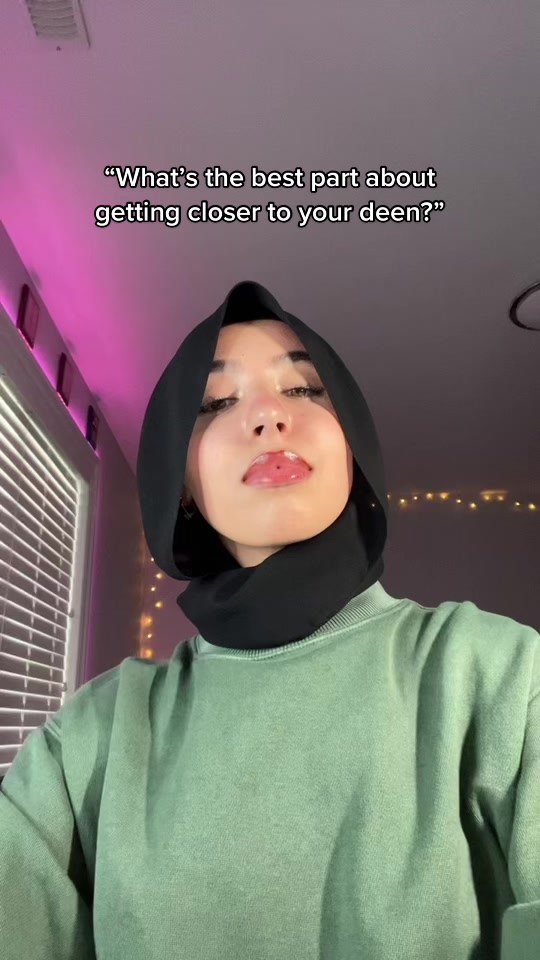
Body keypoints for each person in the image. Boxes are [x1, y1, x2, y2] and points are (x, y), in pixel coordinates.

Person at [0, 280, 539, 959]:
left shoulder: (499, 673)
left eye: (305, 389)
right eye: (216, 402)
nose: (267, 416)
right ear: (182, 486)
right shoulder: (90, 737)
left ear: (352, 446)